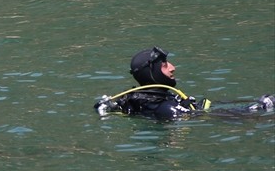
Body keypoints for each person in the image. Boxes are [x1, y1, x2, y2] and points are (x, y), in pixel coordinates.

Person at [94, 46, 273, 120]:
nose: (173, 67)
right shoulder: (162, 106)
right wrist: (256, 111)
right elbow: (208, 119)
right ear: (152, 72)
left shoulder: (149, 98)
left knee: (206, 103)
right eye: (164, 65)